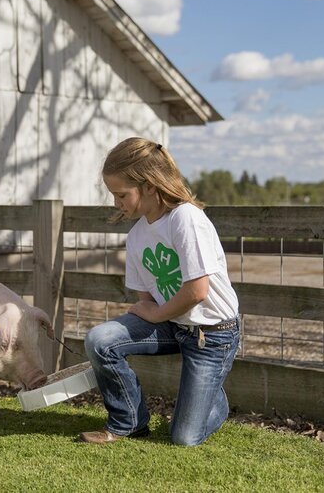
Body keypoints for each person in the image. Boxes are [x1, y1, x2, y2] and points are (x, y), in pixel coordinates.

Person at [78, 137, 240, 446]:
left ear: (150, 186)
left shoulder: (185, 219)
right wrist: (148, 315)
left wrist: (154, 313)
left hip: (212, 333)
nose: (116, 203)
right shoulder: (137, 235)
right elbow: (147, 300)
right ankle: (129, 422)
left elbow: (197, 291)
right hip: (172, 323)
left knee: (184, 437)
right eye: (113, 195)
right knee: (100, 340)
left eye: (121, 194)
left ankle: (211, 395)